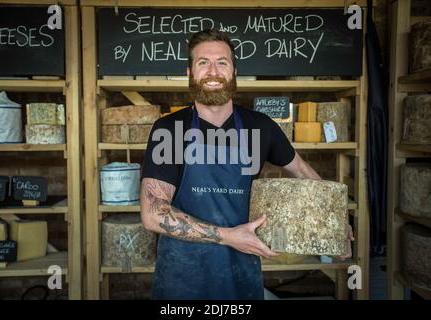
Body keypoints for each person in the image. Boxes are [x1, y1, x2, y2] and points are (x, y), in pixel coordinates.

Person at [140, 29, 352, 300]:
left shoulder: (260, 127)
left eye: (222, 62)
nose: (213, 71)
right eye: (203, 63)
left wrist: (334, 220)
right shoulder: (168, 130)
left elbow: (301, 171)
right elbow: (153, 214)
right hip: (182, 279)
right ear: (190, 72)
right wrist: (229, 236)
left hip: (241, 273)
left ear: (234, 71)